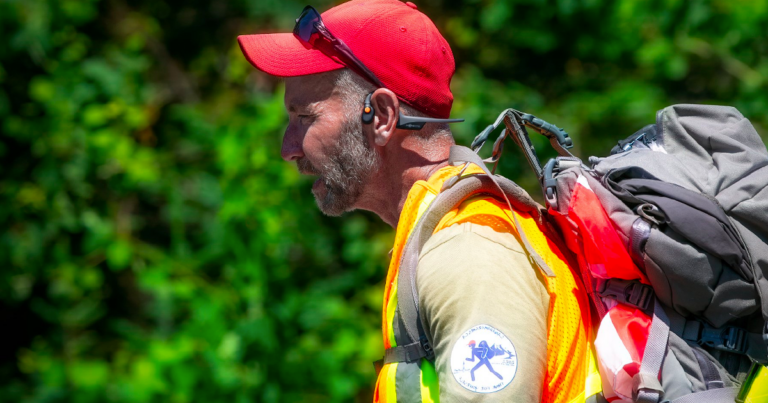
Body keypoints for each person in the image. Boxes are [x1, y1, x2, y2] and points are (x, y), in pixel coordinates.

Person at [237, 1, 599, 402]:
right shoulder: (438, 236)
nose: (288, 148)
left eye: (305, 117)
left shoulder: (469, 252)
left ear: (382, 116)